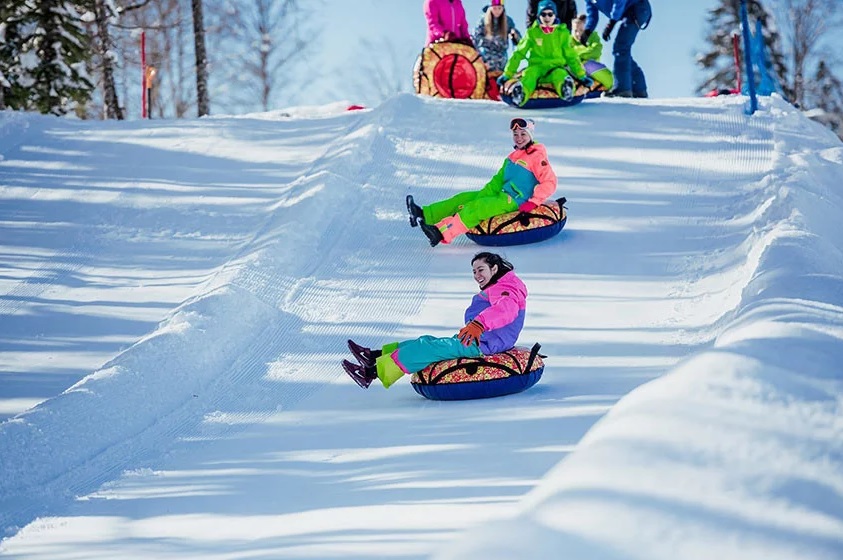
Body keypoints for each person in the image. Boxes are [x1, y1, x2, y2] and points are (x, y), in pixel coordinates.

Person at [342, 252, 527, 389]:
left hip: (485, 344)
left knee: (428, 349)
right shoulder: (501, 285)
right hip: (477, 339)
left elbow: (506, 309)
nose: (477, 276)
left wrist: (479, 324)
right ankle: (373, 356)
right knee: (426, 341)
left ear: (494, 268)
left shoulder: (506, 288)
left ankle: (371, 374)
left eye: (481, 270)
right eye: (474, 271)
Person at [406, 117, 557, 247]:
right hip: (501, 195)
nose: (519, 138)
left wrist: (534, 202)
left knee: (476, 208)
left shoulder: (537, 156)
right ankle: (424, 214)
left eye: (523, 134)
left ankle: (440, 233)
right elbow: (497, 181)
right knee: (463, 198)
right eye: (515, 134)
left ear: (530, 135)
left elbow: (550, 182)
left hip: (516, 201)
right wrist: (483, 195)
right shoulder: (513, 156)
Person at [497, 0, 592, 107]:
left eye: (550, 14)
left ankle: (565, 89)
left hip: (555, 67)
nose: (547, 18)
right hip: (536, 67)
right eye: (543, 14)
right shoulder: (532, 32)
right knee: (528, 75)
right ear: (539, 16)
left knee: (560, 75)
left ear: (554, 15)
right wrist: (507, 74)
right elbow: (519, 53)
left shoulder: (562, 33)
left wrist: (581, 75)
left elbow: (571, 56)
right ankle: (521, 93)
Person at [581, 0, 651, 98]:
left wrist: (611, 23)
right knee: (622, 51)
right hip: (628, 13)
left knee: (620, 48)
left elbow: (620, 1)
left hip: (637, 8)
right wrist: (587, 31)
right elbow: (592, 15)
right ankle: (639, 89)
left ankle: (622, 89)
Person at [472, 0, 522, 74]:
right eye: (494, 8)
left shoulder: (508, 21)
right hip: (486, 58)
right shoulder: (483, 21)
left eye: (499, 8)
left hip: (501, 60)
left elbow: (519, 42)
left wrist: (515, 35)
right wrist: (480, 59)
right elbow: (475, 39)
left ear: (503, 9)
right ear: (490, 8)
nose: (497, 11)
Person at [570, 13, 614, 91]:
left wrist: (578, 56)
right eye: (575, 30)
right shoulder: (568, 41)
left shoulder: (593, 37)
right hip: (576, 71)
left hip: (593, 71)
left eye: (581, 30)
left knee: (587, 65)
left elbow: (596, 51)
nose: (578, 33)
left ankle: (608, 86)